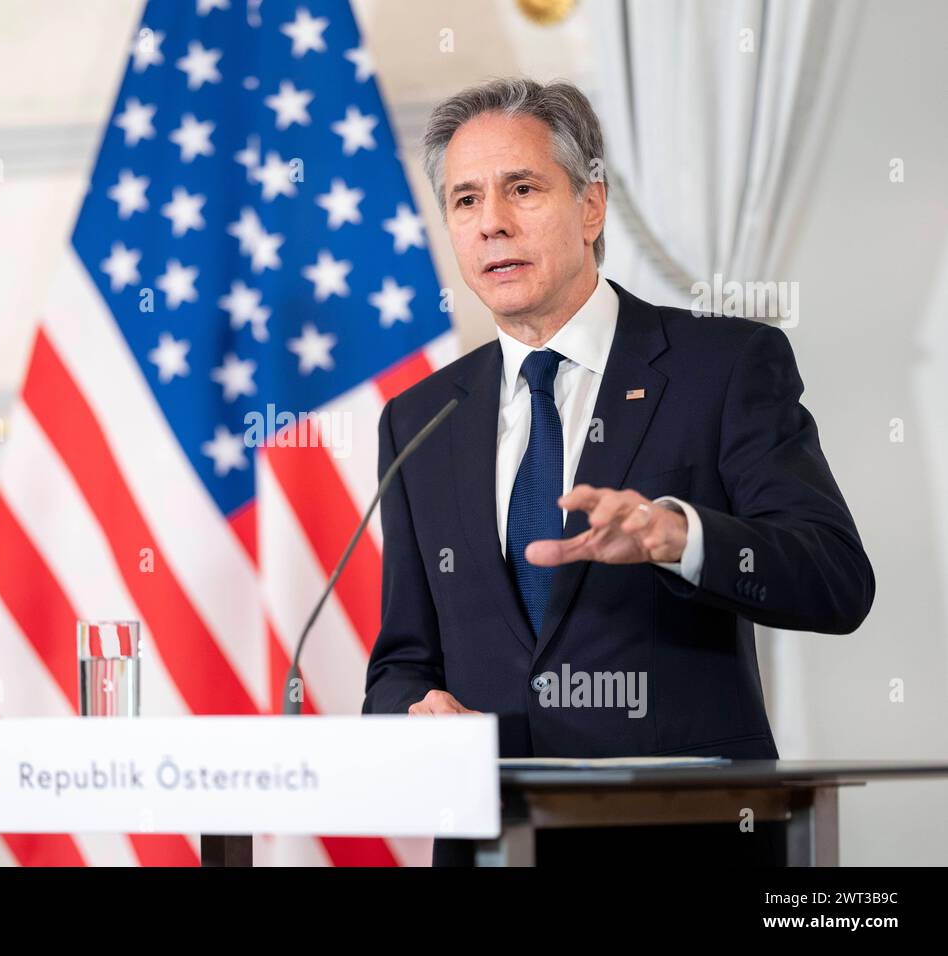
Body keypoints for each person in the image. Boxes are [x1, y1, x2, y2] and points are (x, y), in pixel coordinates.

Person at [360, 78, 875, 866]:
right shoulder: (422, 418)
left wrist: (685, 538)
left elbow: (837, 582)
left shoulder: (722, 365)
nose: (492, 222)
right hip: (494, 842)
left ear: (591, 206)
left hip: (687, 836)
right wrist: (411, 712)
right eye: (465, 201)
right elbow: (403, 659)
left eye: (522, 189)